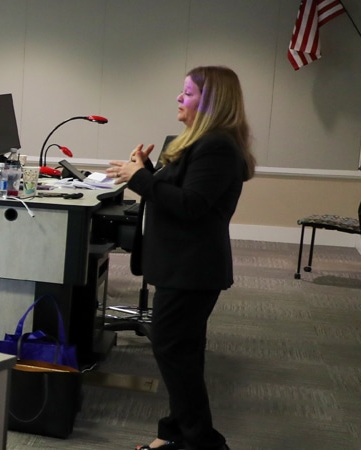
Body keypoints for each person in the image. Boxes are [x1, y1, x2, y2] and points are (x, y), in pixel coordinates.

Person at [106, 66, 251, 450]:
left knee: (173, 352)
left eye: (187, 92)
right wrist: (146, 171)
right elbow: (180, 190)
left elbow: (192, 206)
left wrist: (139, 178)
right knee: (182, 355)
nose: (179, 98)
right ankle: (173, 435)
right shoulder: (200, 143)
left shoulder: (217, 146)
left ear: (211, 102)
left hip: (193, 269)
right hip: (183, 267)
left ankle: (203, 442)